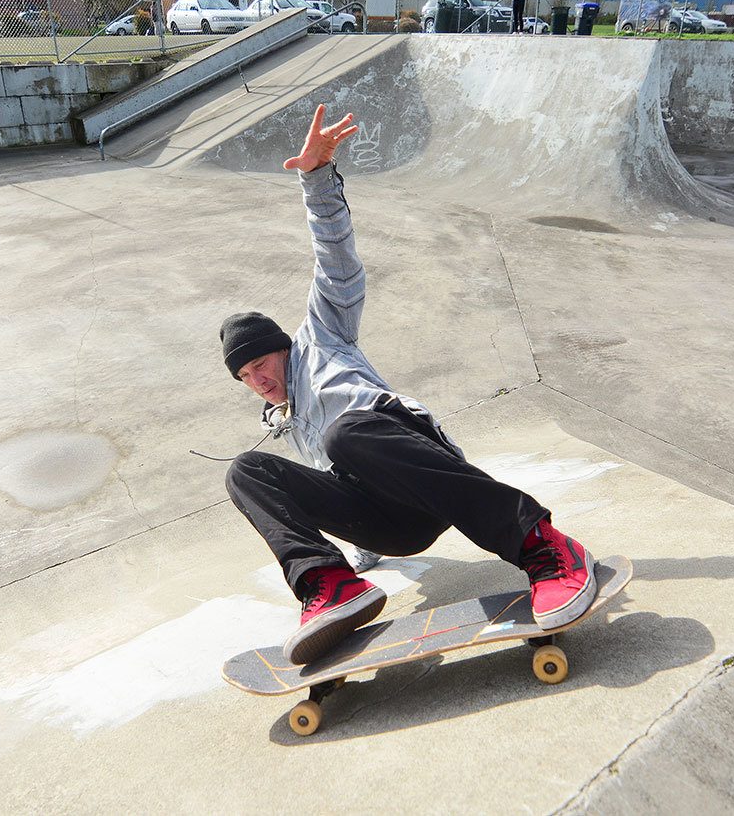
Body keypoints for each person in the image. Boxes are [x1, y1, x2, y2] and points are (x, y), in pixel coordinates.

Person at [220, 105, 596, 665]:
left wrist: (316, 179)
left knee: (345, 434)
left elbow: (337, 264)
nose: (260, 381)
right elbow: (330, 488)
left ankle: (545, 548)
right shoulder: (290, 420)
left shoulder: (322, 338)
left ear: (283, 346)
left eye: (262, 364)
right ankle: (332, 587)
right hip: (397, 523)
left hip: (421, 462)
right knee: (246, 471)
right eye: (246, 377)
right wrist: (362, 550)